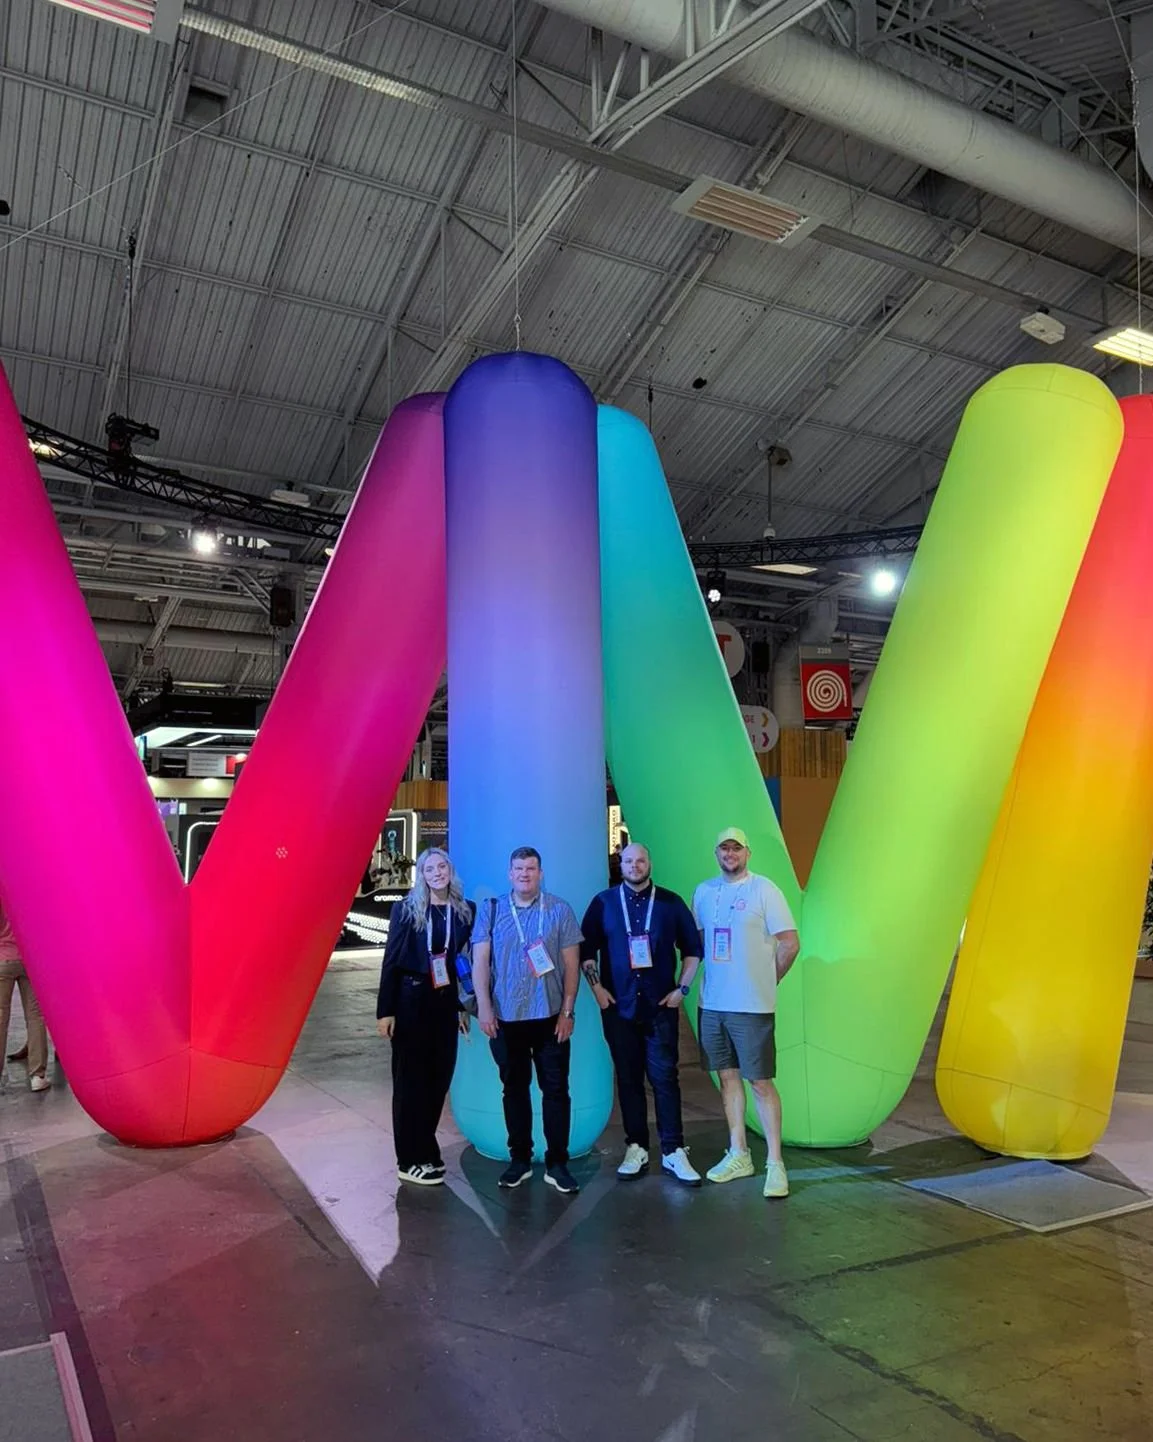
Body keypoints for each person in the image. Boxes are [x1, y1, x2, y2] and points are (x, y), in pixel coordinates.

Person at [580, 843, 702, 1185]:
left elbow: (693, 950)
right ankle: (636, 1147)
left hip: (660, 1008)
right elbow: (586, 950)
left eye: (641, 860)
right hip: (618, 1009)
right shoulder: (603, 903)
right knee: (628, 1079)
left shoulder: (670, 903)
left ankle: (673, 1150)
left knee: (665, 1078)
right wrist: (597, 990)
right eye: (629, 861)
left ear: (650, 864)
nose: (635, 866)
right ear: (620, 865)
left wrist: (682, 989)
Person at [692, 828, 799, 1199]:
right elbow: (701, 942)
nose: (730, 853)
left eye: (736, 848)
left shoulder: (764, 890)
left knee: (760, 1082)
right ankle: (739, 1153)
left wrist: (769, 980)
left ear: (747, 853)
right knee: (727, 1077)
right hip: (712, 1004)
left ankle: (775, 1163)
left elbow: (790, 943)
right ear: (716, 853)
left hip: (752, 1006)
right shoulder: (703, 892)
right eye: (724, 848)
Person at [471, 847, 582, 1195]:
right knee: (514, 1090)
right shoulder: (491, 910)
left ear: (540, 873)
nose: (524, 874)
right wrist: (484, 1007)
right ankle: (519, 1159)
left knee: (556, 1091)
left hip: (550, 1018)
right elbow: (480, 961)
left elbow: (571, 965)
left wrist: (567, 1012)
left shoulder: (560, 910)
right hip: (506, 1019)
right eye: (518, 869)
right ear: (510, 874)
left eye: (531, 868)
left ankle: (557, 1163)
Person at [377, 848, 474, 1186]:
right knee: (410, 1083)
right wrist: (386, 1010)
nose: (437, 873)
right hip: (410, 1001)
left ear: (450, 869)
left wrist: (462, 1006)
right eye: (429, 869)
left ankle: (426, 1150)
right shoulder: (406, 909)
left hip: (444, 1002)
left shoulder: (464, 910)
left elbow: (462, 962)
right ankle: (408, 1159)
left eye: (441, 866)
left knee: (438, 1079)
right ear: (421, 875)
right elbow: (391, 960)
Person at [0, 902, 50, 1092]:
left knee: (0, 1019)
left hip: (2, 960)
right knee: (35, 1017)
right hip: (29, 960)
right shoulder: (25, 894)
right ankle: (37, 1075)